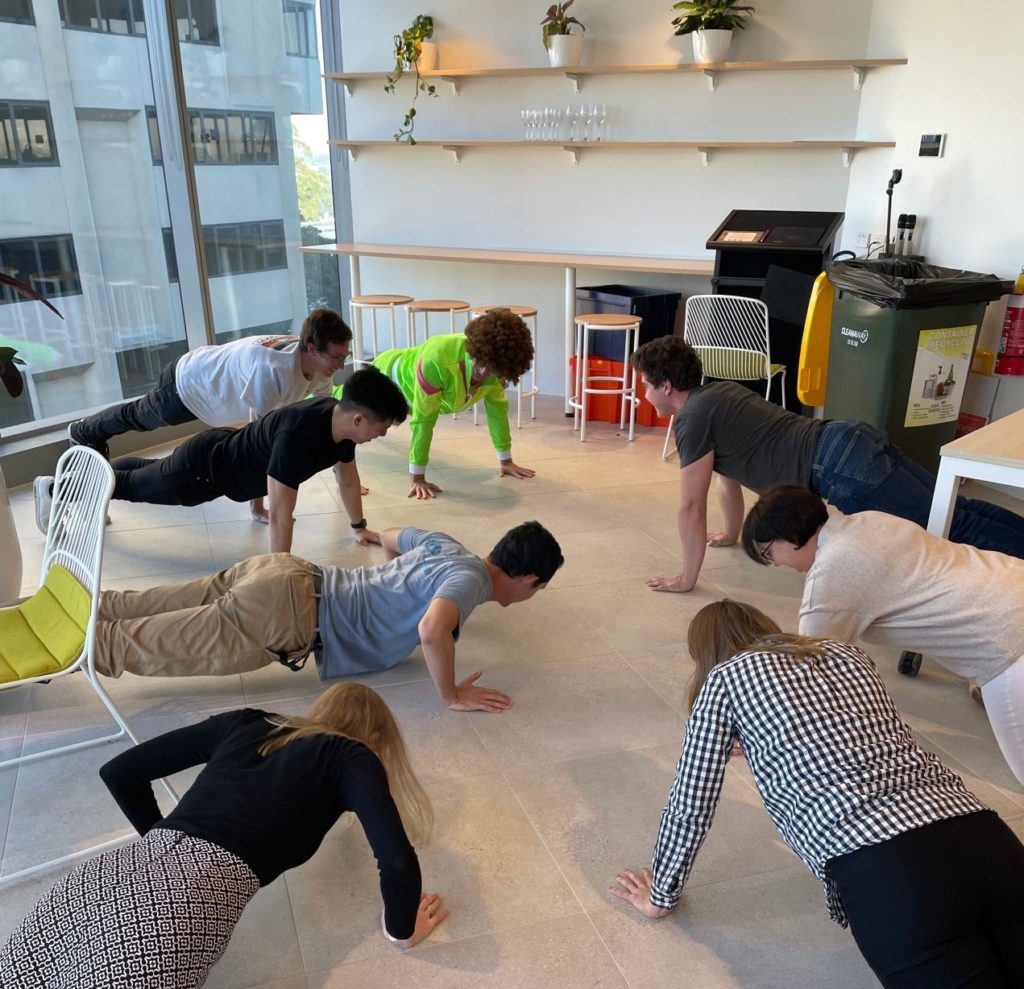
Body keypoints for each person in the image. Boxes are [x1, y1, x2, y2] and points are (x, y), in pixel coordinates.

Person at [609, 599, 1024, 988]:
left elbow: (691, 802)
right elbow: (858, 732)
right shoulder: (847, 654)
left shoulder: (724, 679)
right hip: (983, 835)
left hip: (890, 869)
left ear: (703, 655)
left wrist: (660, 895)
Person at [0, 684, 448, 989]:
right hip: (178, 906)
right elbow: (396, 860)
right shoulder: (351, 756)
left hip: (102, 879)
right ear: (374, 735)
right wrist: (401, 931)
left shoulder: (247, 722)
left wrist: (160, 840)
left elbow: (119, 772)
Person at [630, 335, 1024, 593]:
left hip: (839, 467)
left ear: (666, 385)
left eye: (646, 384)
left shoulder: (693, 419)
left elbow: (690, 507)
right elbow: (726, 478)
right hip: (847, 438)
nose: (644, 392)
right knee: (956, 509)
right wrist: (732, 534)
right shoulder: (717, 393)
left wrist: (687, 577)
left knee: (951, 524)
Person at [91, 521, 564, 712]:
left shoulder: (448, 547)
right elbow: (432, 631)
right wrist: (452, 693)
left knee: (151, 605)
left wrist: (390, 582)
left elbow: (393, 535)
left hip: (287, 571)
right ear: (527, 579)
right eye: (540, 589)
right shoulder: (472, 582)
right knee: (144, 644)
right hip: (289, 614)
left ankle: (71, 611)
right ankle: (62, 653)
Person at [740, 484, 1024, 785]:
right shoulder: (870, 519)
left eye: (769, 553)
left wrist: (753, 733)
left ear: (788, 534)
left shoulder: (832, 572)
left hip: (1007, 642)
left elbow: (807, 669)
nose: (777, 564)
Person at [34, 368, 408, 553]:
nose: (382, 434)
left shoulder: (338, 426)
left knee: (144, 472)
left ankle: (83, 472)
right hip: (200, 473)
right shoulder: (301, 436)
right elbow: (281, 514)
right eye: (382, 427)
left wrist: (359, 527)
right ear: (359, 418)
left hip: (215, 453)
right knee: (130, 488)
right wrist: (280, 573)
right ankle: (55, 488)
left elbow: (347, 478)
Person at [68, 309, 352, 523]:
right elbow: (258, 445)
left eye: (345, 356)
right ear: (312, 348)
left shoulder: (320, 369)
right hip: (189, 382)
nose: (341, 366)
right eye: (336, 357)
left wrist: (345, 476)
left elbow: (329, 424)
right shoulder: (272, 371)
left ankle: (106, 470)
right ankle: (83, 430)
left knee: (140, 420)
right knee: (139, 417)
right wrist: (257, 508)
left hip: (210, 383)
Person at [336, 310, 536, 499]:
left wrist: (506, 461)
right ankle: (318, 394)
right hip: (388, 375)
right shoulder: (438, 360)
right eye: (484, 366)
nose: (487, 375)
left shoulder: (498, 371)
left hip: (413, 392)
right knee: (338, 399)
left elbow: (498, 411)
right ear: (476, 353)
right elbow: (424, 420)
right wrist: (417, 478)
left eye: (495, 372)